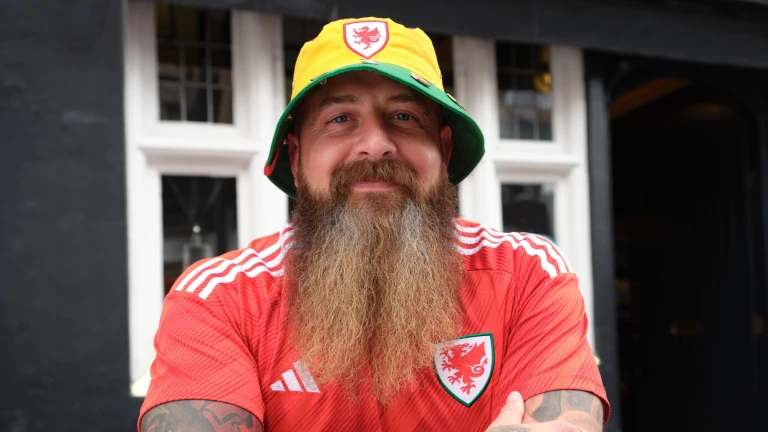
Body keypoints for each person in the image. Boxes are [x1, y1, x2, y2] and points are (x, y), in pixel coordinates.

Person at [138, 17, 609, 432]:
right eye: (340, 118)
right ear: (297, 159)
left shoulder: (526, 274)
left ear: (444, 152)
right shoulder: (219, 298)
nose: (376, 144)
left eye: (404, 117)